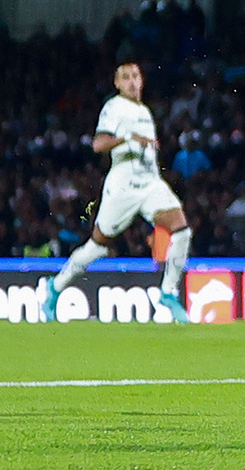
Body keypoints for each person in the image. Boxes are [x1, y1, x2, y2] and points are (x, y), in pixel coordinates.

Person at [40, 61, 191, 323]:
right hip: (123, 185)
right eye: (126, 77)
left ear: (142, 80)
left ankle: (168, 292)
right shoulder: (114, 107)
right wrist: (129, 138)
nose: (132, 81)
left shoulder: (144, 111)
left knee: (182, 230)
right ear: (117, 83)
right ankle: (55, 287)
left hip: (150, 182)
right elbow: (98, 144)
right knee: (97, 247)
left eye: (135, 76)